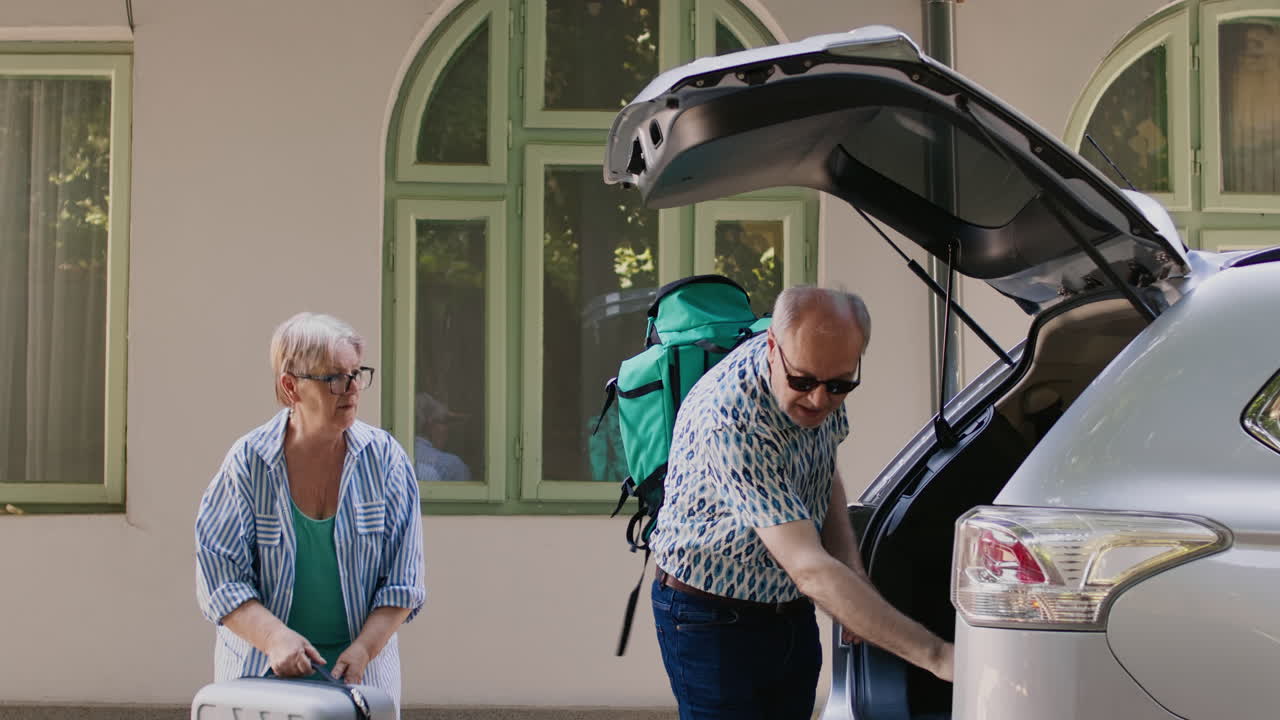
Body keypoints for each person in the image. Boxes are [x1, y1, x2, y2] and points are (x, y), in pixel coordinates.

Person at [649, 286, 954, 720]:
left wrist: (852, 576)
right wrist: (938, 657)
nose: (818, 399)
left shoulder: (821, 377)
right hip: (709, 617)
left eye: (839, 385)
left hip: (788, 608)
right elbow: (808, 567)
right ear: (773, 347)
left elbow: (822, 474)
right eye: (803, 382)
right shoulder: (731, 418)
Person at [195, 312, 425, 709]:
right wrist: (274, 638)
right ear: (291, 387)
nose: (352, 389)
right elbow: (220, 581)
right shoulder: (248, 463)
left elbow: (404, 582)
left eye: (356, 374)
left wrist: (364, 650)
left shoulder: (386, 460)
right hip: (260, 676)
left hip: (362, 678)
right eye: (334, 377)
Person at [413, 391, 471, 483]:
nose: (449, 430)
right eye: (445, 422)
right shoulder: (453, 466)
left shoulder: (395, 455)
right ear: (429, 423)